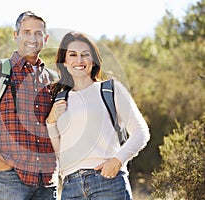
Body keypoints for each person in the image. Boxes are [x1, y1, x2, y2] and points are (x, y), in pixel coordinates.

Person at [46, 32, 150, 199]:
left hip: (107, 182)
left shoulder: (110, 89)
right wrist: (50, 123)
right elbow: (60, 152)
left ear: (93, 60)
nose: (79, 60)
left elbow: (141, 132)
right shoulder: (60, 99)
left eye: (85, 55)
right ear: (64, 62)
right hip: (71, 188)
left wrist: (117, 161)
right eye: (72, 55)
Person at [0, 11, 57, 200]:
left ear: (45, 38)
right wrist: (1, 165)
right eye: (26, 32)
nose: (33, 38)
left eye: (38, 33)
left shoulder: (53, 80)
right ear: (16, 35)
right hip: (11, 180)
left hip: (47, 183)